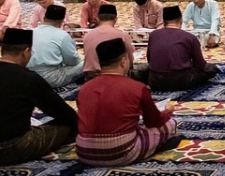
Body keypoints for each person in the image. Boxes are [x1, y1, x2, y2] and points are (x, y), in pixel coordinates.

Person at [0, 28, 78, 165]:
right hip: (12, 148)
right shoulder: (28, 78)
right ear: (26, 52)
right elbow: (61, 111)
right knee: (67, 125)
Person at [76, 37, 180, 166]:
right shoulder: (136, 87)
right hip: (121, 152)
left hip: (85, 152)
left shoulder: (85, 88)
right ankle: (153, 146)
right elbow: (154, 121)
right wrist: (168, 112)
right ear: (123, 61)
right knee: (170, 123)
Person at [143, 6, 218, 91]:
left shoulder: (153, 35)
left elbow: (149, 60)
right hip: (182, 81)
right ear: (181, 20)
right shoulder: (189, 37)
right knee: (212, 68)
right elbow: (200, 65)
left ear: (163, 22)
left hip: (155, 81)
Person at [29, 4, 85, 88]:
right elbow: (73, 60)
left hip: (29, 76)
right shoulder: (62, 35)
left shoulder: (30, 32)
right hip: (51, 78)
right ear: (60, 22)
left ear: (44, 18)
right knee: (86, 63)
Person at [82, 4, 135, 78]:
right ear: (115, 19)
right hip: (115, 77)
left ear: (97, 19)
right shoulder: (122, 35)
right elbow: (130, 61)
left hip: (91, 77)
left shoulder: (87, 36)